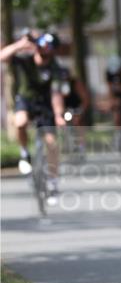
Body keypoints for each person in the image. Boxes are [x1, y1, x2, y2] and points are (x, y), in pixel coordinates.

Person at [0, 30, 66, 203]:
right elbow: (2, 56)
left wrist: (59, 115)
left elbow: (56, 93)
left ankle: (53, 183)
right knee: (20, 122)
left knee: (52, 144)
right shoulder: (25, 60)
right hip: (26, 101)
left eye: (49, 47)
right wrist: (20, 45)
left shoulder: (55, 68)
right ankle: (24, 153)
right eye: (42, 45)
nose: (45, 49)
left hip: (46, 105)